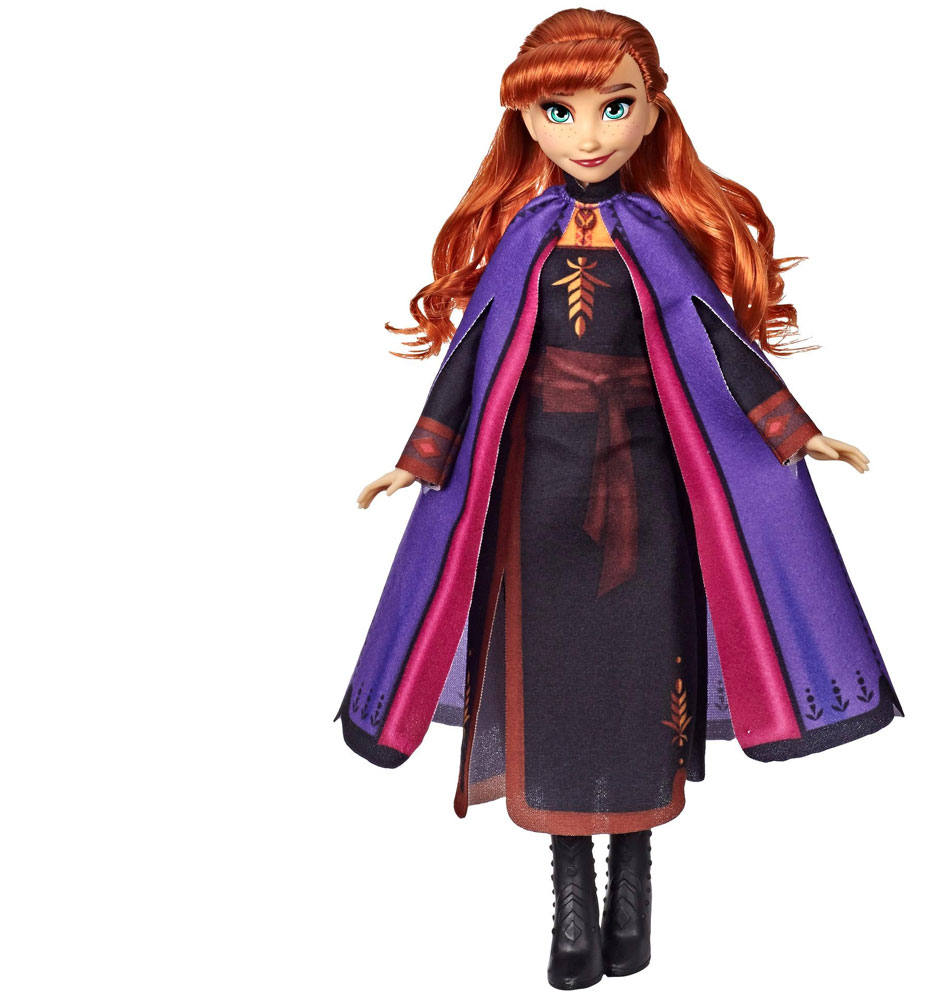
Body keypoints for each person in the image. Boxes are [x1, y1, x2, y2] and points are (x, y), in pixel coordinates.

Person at [336, 8, 903, 989]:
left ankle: (632, 888)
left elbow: (721, 344)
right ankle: (571, 906)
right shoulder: (523, 237)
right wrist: (419, 457)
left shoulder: (656, 235)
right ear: (526, 119)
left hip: (651, 499)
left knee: (643, 689)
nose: (589, 134)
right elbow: (469, 360)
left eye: (615, 106)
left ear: (652, 113)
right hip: (539, 503)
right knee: (552, 692)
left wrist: (793, 429)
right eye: (560, 111)